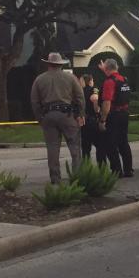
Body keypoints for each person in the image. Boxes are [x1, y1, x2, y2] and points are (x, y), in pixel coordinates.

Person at [30, 52, 83, 184]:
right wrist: (80, 114)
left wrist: (40, 118)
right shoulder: (70, 78)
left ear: (48, 64)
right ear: (60, 64)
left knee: (52, 148)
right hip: (67, 115)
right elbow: (80, 97)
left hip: (48, 115)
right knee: (74, 146)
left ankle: (55, 178)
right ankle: (77, 177)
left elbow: (34, 101)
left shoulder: (39, 79)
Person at [98, 58, 133, 178]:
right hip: (124, 113)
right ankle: (128, 169)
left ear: (107, 69)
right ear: (117, 67)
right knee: (123, 142)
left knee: (111, 144)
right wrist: (105, 69)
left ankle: (117, 171)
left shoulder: (109, 82)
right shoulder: (123, 79)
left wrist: (103, 120)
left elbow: (107, 102)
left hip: (113, 115)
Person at [80, 74, 103, 163]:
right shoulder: (94, 90)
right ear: (90, 81)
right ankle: (102, 168)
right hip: (93, 120)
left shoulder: (79, 91)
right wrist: (97, 111)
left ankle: (87, 168)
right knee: (100, 146)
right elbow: (95, 100)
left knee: (85, 148)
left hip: (83, 122)